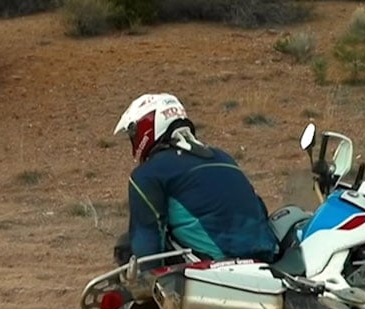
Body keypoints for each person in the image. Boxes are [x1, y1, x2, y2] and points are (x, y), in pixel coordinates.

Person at [113, 91, 279, 270]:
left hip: (217, 266)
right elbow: (259, 207)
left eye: (133, 133)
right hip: (268, 258)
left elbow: (147, 239)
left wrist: (146, 284)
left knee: (127, 246)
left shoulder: (148, 174)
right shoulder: (223, 157)